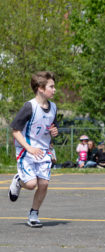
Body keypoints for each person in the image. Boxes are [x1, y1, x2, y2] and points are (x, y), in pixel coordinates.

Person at [8, 71, 59, 228]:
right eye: (51, 86)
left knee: (43, 184)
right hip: (27, 151)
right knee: (31, 184)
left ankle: (34, 214)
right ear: (40, 88)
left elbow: (52, 128)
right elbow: (15, 130)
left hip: (43, 151)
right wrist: (29, 148)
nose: (54, 89)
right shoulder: (29, 107)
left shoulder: (54, 108)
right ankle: (18, 180)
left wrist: (54, 132)